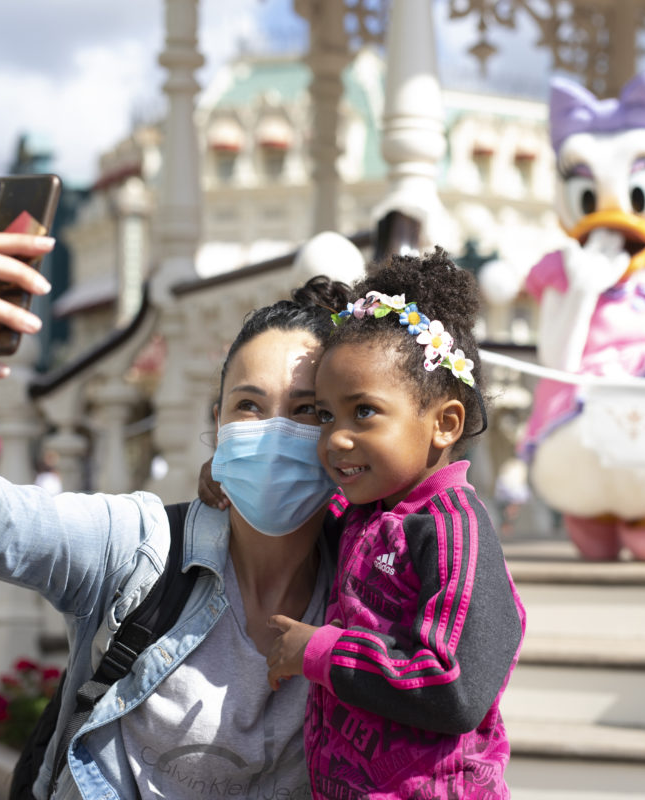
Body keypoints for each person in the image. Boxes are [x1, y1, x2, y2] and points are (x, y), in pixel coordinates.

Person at [0, 229, 353, 799]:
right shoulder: (138, 548)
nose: (273, 432)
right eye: (249, 405)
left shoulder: (375, 581)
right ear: (217, 423)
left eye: (306, 410)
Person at [264, 250, 527, 798]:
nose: (336, 438)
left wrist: (320, 652)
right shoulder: (365, 514)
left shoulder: (453, 530)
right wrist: (227, 481)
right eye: (326, 415)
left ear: (444, 423)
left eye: (363, 412)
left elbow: (456, 686)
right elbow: (289, 521)